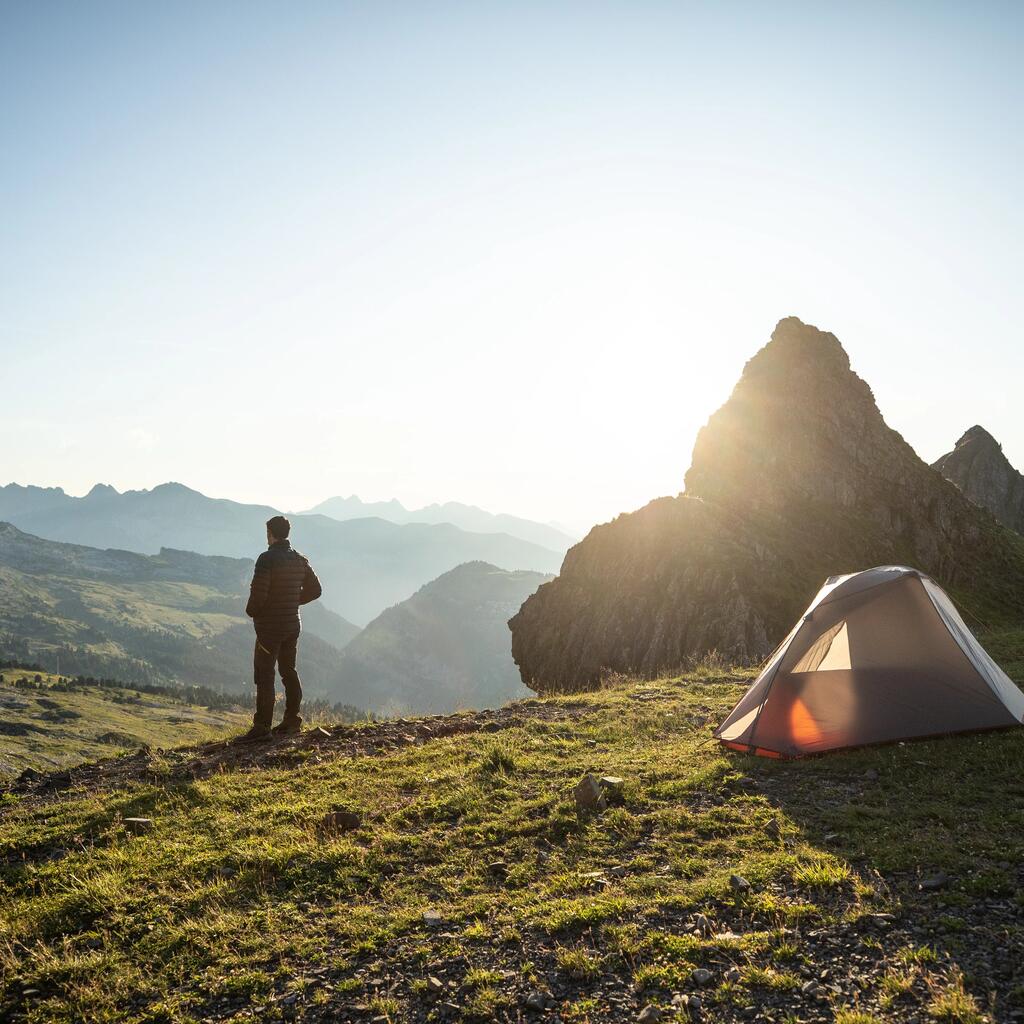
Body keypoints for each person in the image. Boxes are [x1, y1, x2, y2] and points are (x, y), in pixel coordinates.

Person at [236, 515, 323, 742]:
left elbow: (259, 595)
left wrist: (252, 611)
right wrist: (293, 601)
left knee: (264, 675)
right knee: (288, 671)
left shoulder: (266, 560)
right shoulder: (299, 560)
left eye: (267, 533)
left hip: (269, 629)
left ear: (271, 534)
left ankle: (262, 727)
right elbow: (316, 590)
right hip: (292, 625)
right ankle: (292, 720)